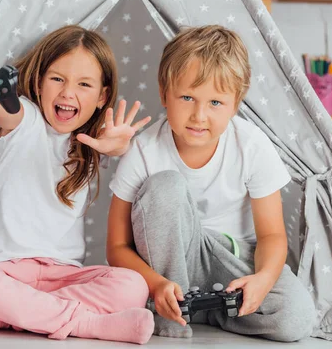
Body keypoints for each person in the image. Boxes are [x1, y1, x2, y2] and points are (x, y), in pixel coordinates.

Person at [0, 25, 154, 345]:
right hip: (5, 272)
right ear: (38, 82)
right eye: (57, 79)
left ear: (102, 97)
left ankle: (3, 316)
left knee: (133, 284)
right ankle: (86, 324)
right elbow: (6, 109)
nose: (68, 92)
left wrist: (115, 147)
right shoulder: (25, 120)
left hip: (63, 276)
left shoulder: (91, 145)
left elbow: (116, 148)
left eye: (84, 84)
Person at [106, 25, 316, 342]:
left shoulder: (252, 145)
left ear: (236, 103)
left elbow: (271, 235)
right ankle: (171, 309)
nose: (199, 115)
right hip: (169, 265)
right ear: (164, 94)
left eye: (215, 103)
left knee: (295, 318)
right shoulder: (144, 150)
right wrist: (156, 283)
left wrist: (262, 279)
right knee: (166, 187)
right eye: (187, 97)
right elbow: (117, 246)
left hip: (232, 261)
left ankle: (211, 308)